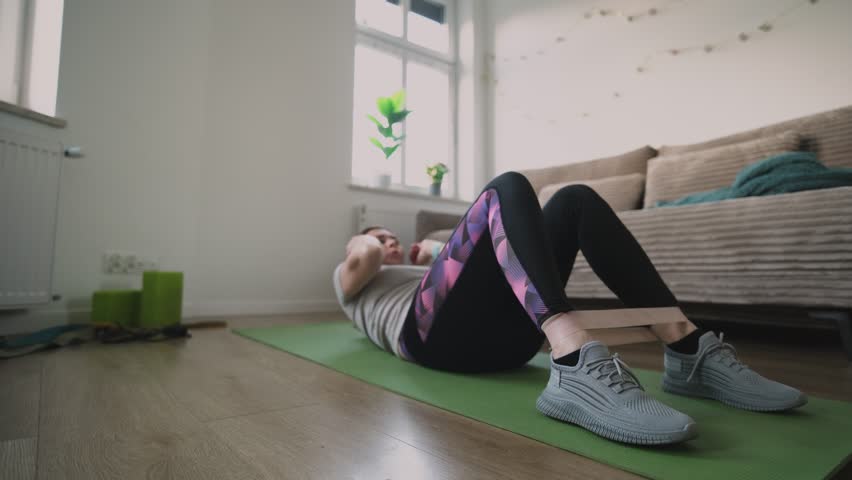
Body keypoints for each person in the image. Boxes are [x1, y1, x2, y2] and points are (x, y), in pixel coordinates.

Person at [333, 172, 807, 446]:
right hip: (428, 342)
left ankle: (686, 347)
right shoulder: (353, 278)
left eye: (393, 237)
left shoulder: (426, 271)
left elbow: (491, 263)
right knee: (507, 185)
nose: (390, 244)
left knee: (574, 199)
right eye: (382, 238)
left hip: (508, 343)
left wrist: (432, 255)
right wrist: (367, 237)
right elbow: (366, 258)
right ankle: (573, 356)